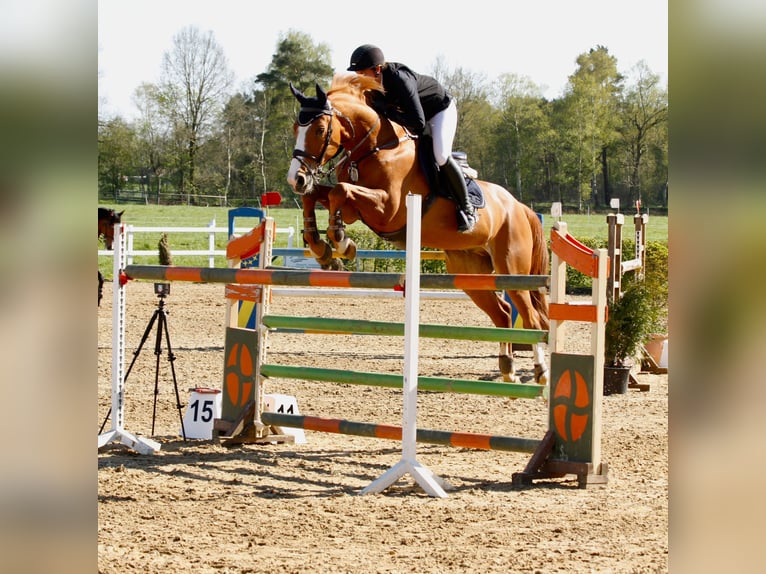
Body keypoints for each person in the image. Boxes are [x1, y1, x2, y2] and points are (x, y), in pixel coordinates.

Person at [347, 44, 476, 232]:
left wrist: (388, 111)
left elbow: (418, 122)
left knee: (440, 155)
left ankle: (467, 208)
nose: (358, 77)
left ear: (376, 70)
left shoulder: (400, 80)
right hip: (413, 116)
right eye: (356, 72)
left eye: (361, 72)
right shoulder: (372, 85)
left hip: (439, 111)